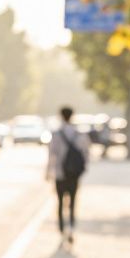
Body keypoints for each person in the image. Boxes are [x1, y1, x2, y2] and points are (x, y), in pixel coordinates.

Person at [47, 106, 91, 248]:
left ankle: (62, 230)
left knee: (60, 202)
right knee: (72, 202)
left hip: (60, 174)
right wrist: (82, 169)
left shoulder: (56, 134)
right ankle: (71, 227)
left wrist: (48, 172)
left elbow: (51, 155)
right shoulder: (79, 134)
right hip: (74, 175)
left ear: (61, 116)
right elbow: (86, 153)